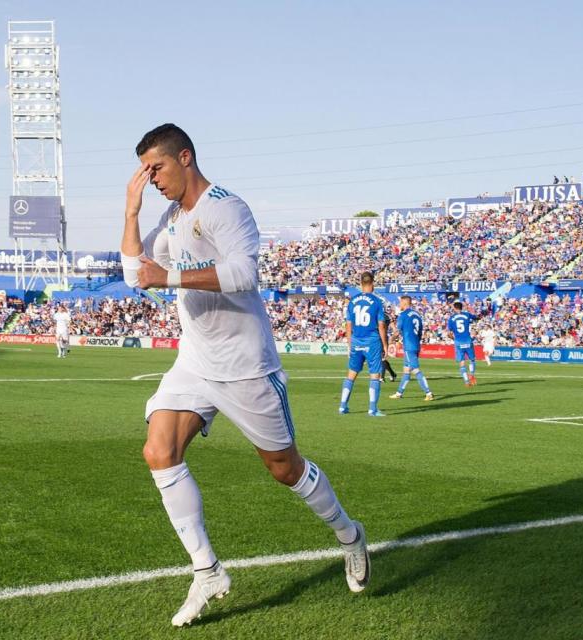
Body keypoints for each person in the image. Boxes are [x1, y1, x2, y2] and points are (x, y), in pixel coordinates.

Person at [121, 124, 369, 627]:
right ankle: (207, 571)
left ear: (185, 157)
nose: (153, 181)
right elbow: (133, 273)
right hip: (194, 362)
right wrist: (131, 210)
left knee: (285, 469)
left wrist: (165, 276)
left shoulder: (226, 207)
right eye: (145, 173)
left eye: (157, 169)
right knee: (158, 451)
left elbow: (243, 275)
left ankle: (349, 534)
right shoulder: (170, 217)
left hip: (245, 367)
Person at [340, 272, 388, 417]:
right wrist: (385, 344)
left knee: (351, 373)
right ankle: (372, 409)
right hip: (372, 341)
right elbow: (381, 325)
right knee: (375, 374)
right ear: (372, 283)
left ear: (361, 283)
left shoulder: (353, 301)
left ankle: (343, 406)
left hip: (356, 341)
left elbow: (348, 325)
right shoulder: (377, 301)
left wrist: (350, 343)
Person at [389, 295, 433, 401]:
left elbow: (397, 332)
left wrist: (390, 339)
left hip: (409, 345)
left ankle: (428, 393)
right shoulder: (417, 315)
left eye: (400, 303)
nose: (399, 305)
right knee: (406, 370)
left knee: (415, 369)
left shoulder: (403, 315)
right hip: (416, 344)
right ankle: (399, 393)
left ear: (404, 303)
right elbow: (420, 332)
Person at [447, 301, 477, 386]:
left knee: (462, 362)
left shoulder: (451, 318)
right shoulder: (467, 315)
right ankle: (471, 375)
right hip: (468, 340)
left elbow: (449, 333)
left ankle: (467, 382)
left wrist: (454, 338)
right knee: (472, 360)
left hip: (458, 342)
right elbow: (475, 318)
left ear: (455, 308)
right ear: (461, 307)